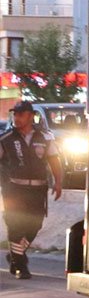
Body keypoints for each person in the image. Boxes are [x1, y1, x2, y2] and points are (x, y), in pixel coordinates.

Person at [0, 101, 63, 280]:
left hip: (38, 188)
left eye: (20, 115)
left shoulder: (45, 137)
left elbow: (54, 161)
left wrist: (58, 182)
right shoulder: (6, 139)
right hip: (14, 188)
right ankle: (20, 266)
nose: (16, 118)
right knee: (15, 225)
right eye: (15, 115)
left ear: (30, 116)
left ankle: (15, 254)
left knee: (35, 224)